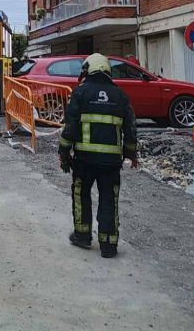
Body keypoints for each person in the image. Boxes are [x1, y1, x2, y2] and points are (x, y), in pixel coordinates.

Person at [59, 53, 138, 258]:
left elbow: (71, 127)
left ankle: (82, 236)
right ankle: (109, 245)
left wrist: (64, 153)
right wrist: (131, 153)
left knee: (81, 195)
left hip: (84, 160)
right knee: (109, 199)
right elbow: (130, 127)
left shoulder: (81, 93)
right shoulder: (120, 95)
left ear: (89, 69)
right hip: (111, 162)